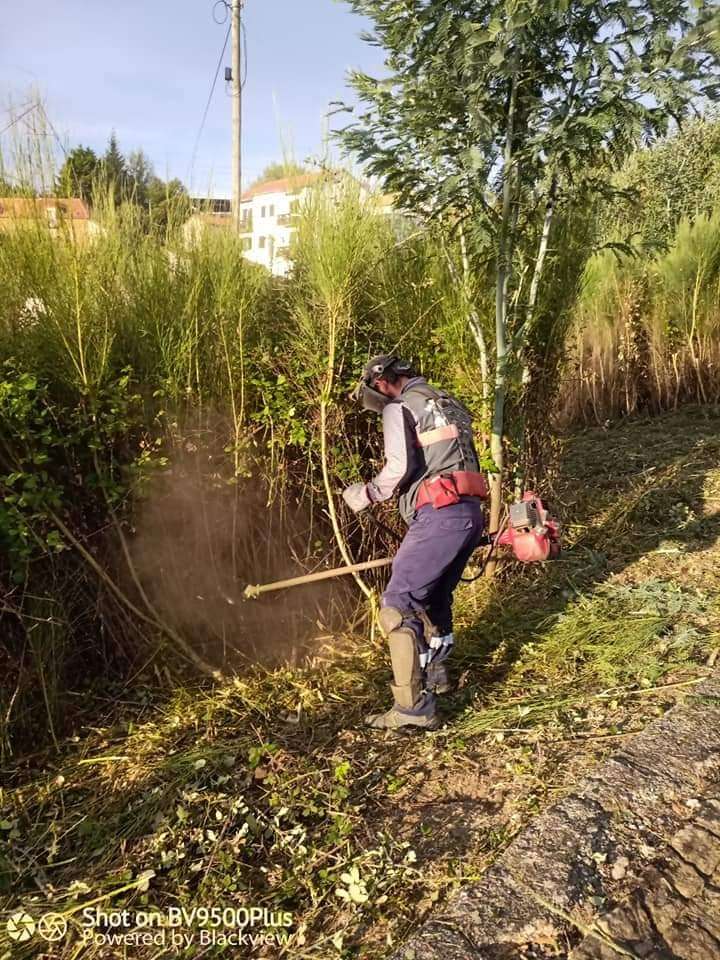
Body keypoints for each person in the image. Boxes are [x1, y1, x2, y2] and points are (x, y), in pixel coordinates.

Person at [342, 355, 487, 730]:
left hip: (440, 514)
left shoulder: (399, 406)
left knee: (398, 603)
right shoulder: (446, 401)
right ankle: (438, 674)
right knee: (435, 595)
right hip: (469, 512)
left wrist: (365, 495)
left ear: (381, 384)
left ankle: (411, 709)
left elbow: (398, 468)